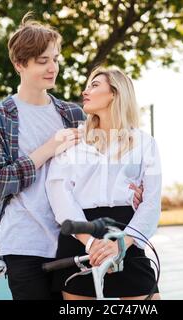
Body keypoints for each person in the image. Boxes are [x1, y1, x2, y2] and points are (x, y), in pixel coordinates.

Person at [0, 13, 144, 300]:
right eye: (43, 61)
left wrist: (131, 192)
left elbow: (97, 172)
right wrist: (47, 149)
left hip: (72, 240)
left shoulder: (73, 114)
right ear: (19, 64)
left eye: (55, 58)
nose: (52, 67)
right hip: (24, 244)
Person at [46, 67, 162, 300]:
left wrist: (122, 243)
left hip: (127, 236)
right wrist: (90, 243)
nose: (85, 91)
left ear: (115, 93)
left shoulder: (144, 143)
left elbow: (152, 202)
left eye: (94, 85)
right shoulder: (72, 139)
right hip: (79, 237)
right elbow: (59, 193)